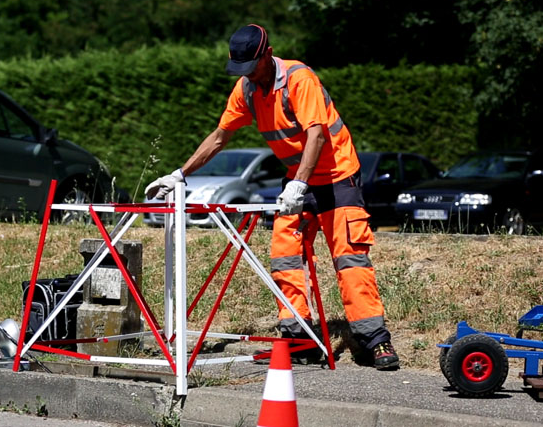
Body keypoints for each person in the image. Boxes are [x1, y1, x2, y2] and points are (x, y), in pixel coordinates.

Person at [144, 24, 399, 369]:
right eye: (241, 69)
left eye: (252, 66)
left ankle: (374, 341)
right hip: (298, 179)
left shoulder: (299, 79)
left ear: (268, 53)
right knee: (285, 254)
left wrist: (299, 185)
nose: (247, 75)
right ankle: (299, 338)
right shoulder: (246, 89)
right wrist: (179, 174)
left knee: (349, 257)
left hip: (337, 176)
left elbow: (317, 137)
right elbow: (220, 136)